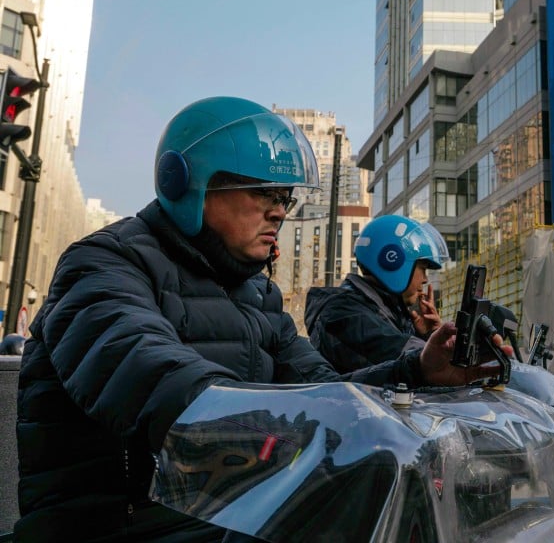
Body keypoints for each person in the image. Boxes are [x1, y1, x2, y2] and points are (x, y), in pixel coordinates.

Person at [15, 97, 509, 542]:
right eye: (265, 193)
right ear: (189, 184)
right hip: (123, 525)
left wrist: (418, 372)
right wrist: (279, 437)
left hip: (234, 515)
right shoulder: (104, 265)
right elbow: (146, 372)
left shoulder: (256, 293)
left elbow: (327, 390)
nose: (279, 212)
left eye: (285, 199)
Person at [305, 214, 445, 374]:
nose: (425, 279)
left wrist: (428, 335)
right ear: (393, 260)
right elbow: (397, 356)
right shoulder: (343, 313)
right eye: (423, 268)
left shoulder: (386, 311)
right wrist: (440, 349)